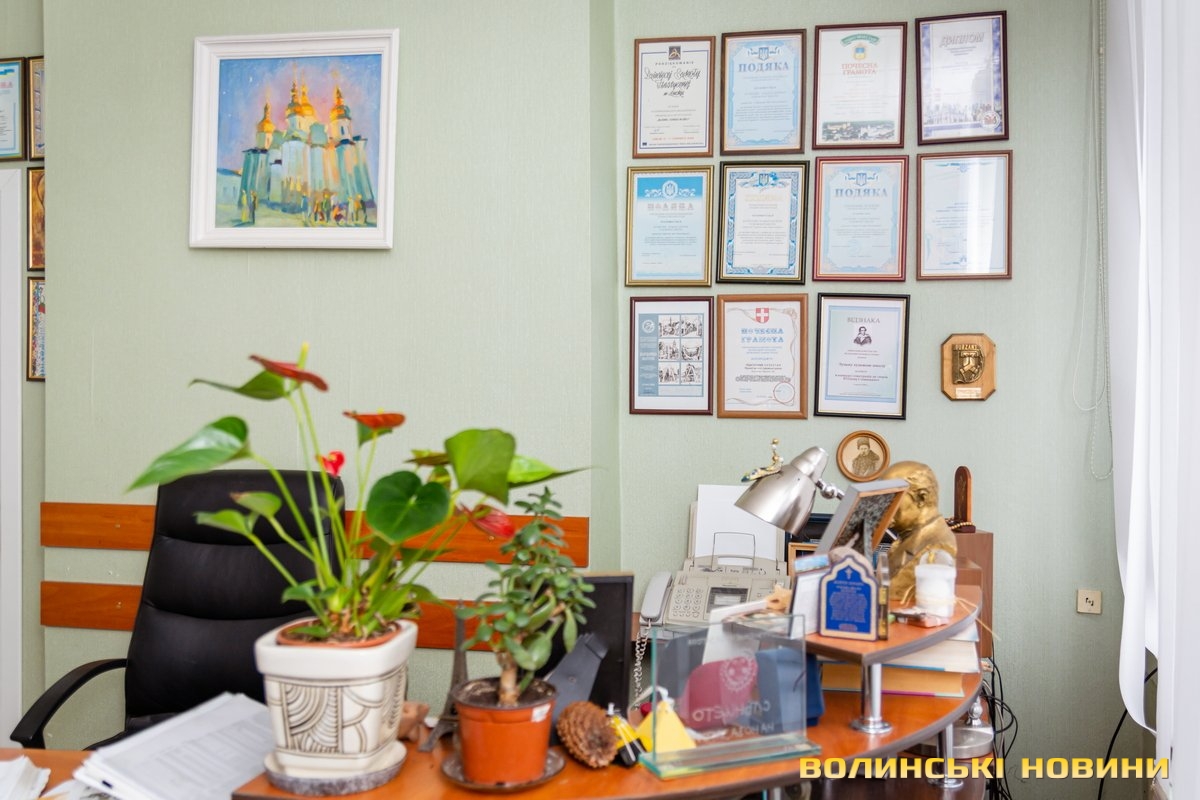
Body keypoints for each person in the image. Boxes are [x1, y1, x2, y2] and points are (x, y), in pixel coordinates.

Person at [879, 461, 957, 605]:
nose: (883, 505)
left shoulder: (936, 548)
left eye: (891, 497)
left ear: (922, 498)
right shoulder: (904, 538)